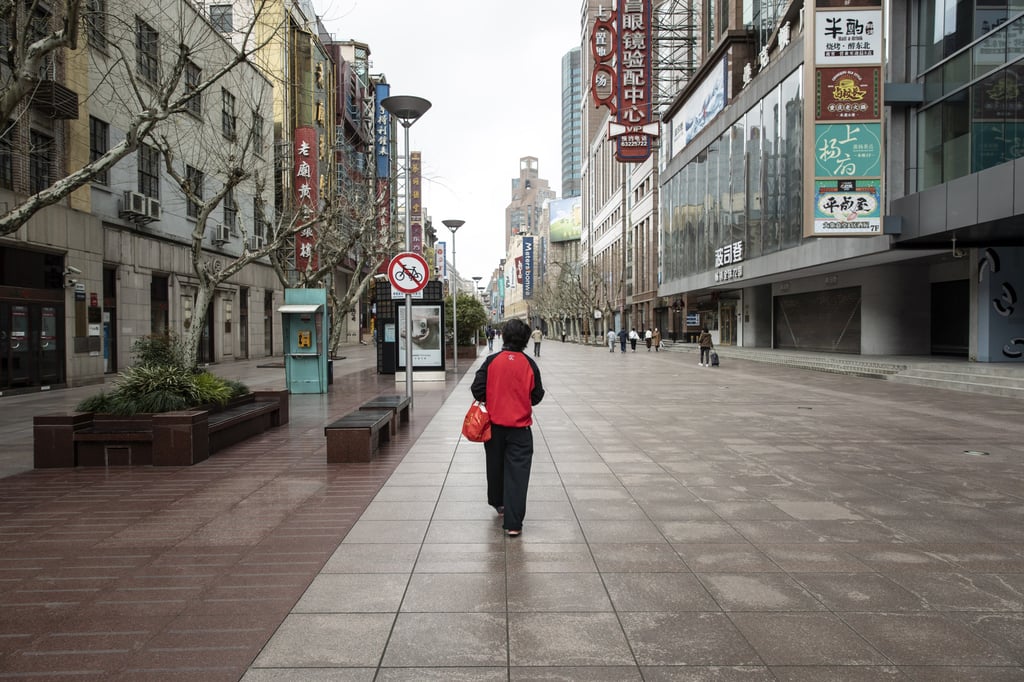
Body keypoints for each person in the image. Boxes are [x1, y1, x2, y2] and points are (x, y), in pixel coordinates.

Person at [471, 318, 545, 537]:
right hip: (520, 429)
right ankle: (513, 524)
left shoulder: (492, 361)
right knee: (518, 474)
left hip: (494, 427)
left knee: (495, 467)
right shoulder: (530, 364)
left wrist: (492, 398)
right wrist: (521, 400)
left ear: (503, 336)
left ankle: (499, 504)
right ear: (525, 340)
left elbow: (477, 388)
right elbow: (537, 394)